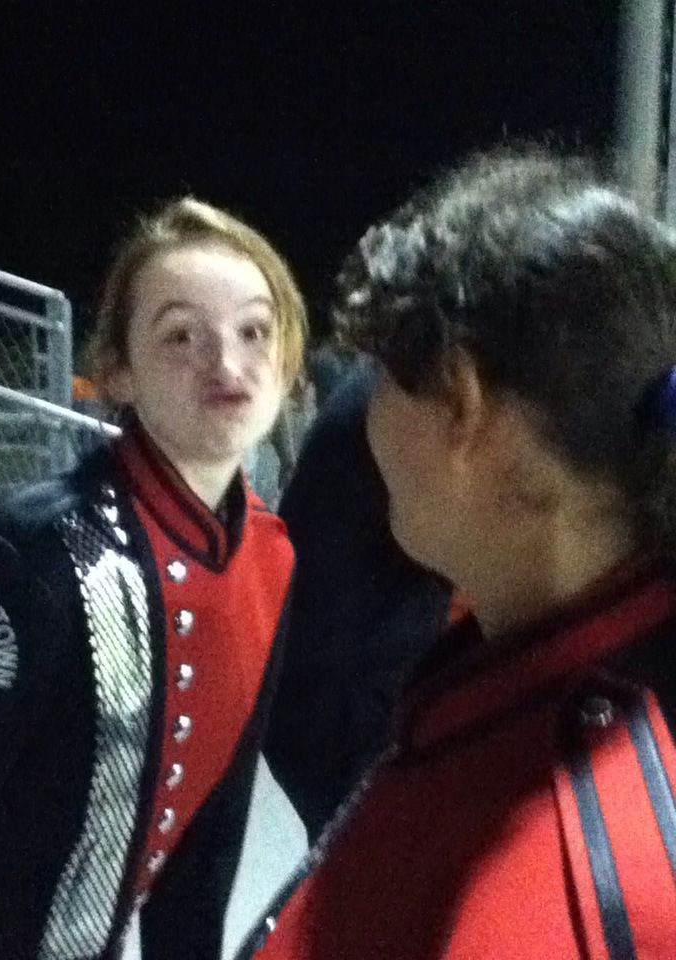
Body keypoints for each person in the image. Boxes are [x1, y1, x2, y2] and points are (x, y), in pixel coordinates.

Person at [239, 148, 676, 959]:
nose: (361, 413)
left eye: (379, 375)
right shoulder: (544, 677)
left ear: (461, 400)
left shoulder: (546, 903)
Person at [0, 196, 306, 959]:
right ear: (116, 371)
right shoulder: (28, 548)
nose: (226, 362)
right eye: (181, 335)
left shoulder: (272, 557)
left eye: (255, 330)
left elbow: (209, 845)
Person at [265, 360, 451, 840]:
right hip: (344, 694)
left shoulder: (389, 385)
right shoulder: (412, 403)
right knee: (378, 864)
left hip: (326, 681)